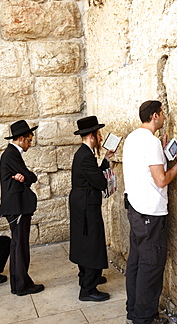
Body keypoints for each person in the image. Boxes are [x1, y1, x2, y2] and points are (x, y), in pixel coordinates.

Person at [122, 100, 177, 324]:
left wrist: (163, 153)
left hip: (136, 209)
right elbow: (161, 180)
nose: (164, 117)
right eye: (162, 114)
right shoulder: (150, 143)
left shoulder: (132, 138)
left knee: (137, 263)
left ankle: (133, 311)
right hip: (150, 212)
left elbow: (145, 170)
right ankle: (145, 318)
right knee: (151, 266)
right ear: (155, 116)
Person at [0, 120, 44, 296]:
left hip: (18, 206)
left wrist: (25, 176)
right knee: (20, 246)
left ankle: (19, 285)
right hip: (17, 207)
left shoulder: (11, 154)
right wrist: (27, 176)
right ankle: (22, 285)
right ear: (20, 138)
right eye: (29, 140)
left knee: (18, 245)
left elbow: (26, 176)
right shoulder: (11, 155)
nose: (30, 144)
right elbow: (30, 176)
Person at [69, 116, 114, 302]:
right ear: (91, 136)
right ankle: (88, 288)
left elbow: (93, 174)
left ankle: (87, 276)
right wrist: (107, 178)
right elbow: (99, 181)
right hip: (86, 205)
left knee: (85, 241)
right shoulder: (85, 156)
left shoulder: (83, 153)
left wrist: (105, 160)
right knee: (92, 243)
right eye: (98, 134)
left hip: (83, 203)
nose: (101, 137)